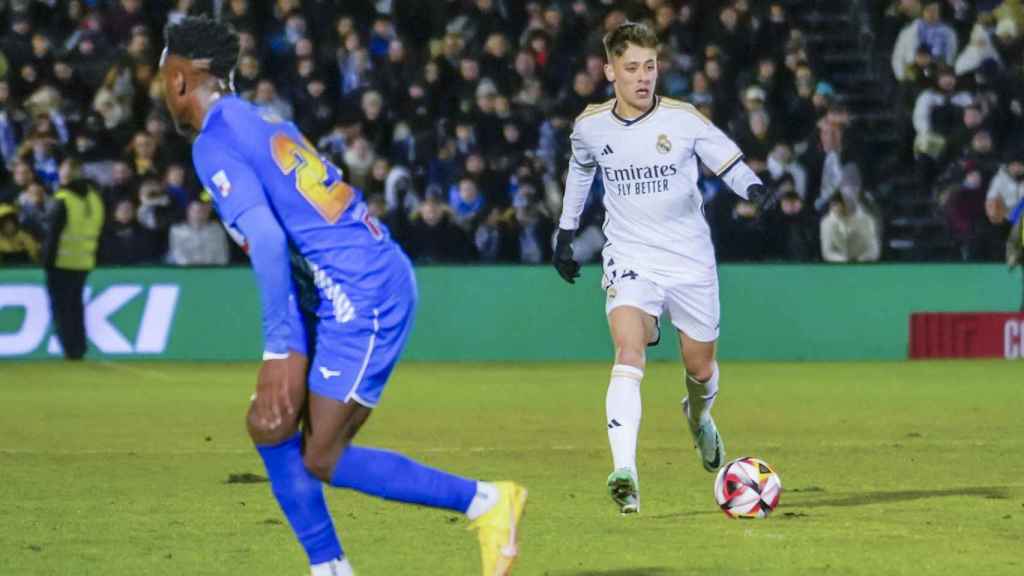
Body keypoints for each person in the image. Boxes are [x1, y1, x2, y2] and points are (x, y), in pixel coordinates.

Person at [159, 17, 525, 576]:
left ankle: (486, 503)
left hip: (361, 288)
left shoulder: (214, 141)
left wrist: (280, 349)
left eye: (162, 76)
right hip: (335, 283)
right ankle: (329, 568)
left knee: (322, 454)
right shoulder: (258, 117)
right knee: (271, 424)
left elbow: (267, 239)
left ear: (181, 79)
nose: (161, 89)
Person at [552, 21, 769, 514]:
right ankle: (625, 472)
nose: (643, 77)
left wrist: (755, 189)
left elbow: (726, 161)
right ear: (610, 71)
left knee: (700, 366)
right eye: (631, 68)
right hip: (630, 256)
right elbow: (581, 169)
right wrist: (566, 232)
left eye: (650, 67)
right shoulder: (590, 127)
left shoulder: (682, 118)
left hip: (690, 259)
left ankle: (698, 418)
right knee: (629, 351)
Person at [43, 175, 104, 360]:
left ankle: (70, 349)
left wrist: (47, 261)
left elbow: (53, 233)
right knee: (76, 306)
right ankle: (79, 346)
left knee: (62, 308)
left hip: (61, 262)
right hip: (84, 262)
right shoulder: (95, 199)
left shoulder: (64, 199)